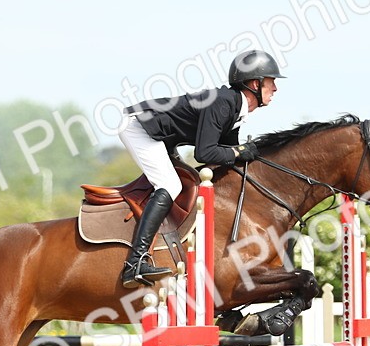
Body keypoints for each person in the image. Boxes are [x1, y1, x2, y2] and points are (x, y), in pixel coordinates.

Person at [116, 49, 284, 288]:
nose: (275, 88)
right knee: (170, 184)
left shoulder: (235, 109)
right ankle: (135, 262)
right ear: (255, 83)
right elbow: (205, 153)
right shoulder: (222, 103)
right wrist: (239, 152)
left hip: (162, 136)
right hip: (140, 128)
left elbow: (228, 155)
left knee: (188, 182)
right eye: (271, 82)